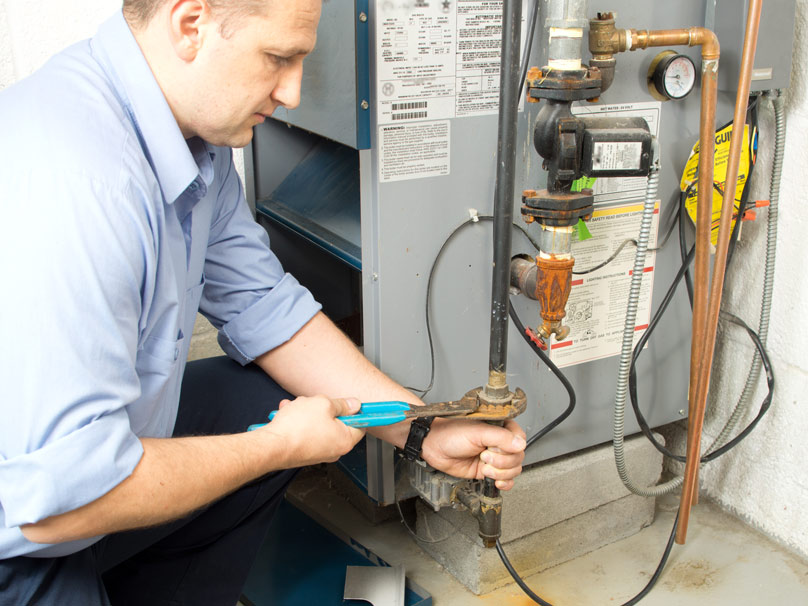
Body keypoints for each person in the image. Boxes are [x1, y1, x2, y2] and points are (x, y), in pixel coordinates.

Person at [0, 0, 526, 603]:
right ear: (191, 25)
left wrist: (421, 430)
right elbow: (58, 502)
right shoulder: (81, 184)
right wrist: (275, 447)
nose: (292, 93)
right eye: (278, 58)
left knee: (257, 397)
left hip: (76, 480)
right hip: (27, 537)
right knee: (268, 431)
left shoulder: (192, 141)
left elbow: (265, 307)